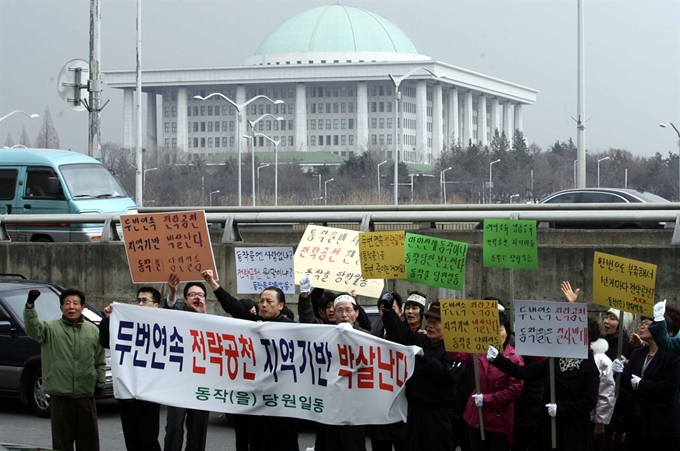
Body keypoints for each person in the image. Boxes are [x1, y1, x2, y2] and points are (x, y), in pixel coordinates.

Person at [201, 269, 299, 451]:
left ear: (281, 306)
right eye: (261, 301)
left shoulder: (291, 328)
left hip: (282, 402)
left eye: (269, 301)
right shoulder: (253, 323)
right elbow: (233, 306)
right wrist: (213, 283)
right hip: (257, 399)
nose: (263, 305)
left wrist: (270, 333)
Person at [486, 317, 600, 451]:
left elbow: (588, 402)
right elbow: (524, 372)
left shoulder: (589, 367)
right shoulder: (556, 359)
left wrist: (561, 408)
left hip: (572, 431)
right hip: (548, 428)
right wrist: (498, 359)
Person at [23, 288, 106, 451]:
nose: (71, 307)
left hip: (85, 395)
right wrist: (30, 306)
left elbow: (100, 360)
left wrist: (100, 383)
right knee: (62, 443)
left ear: (83, 308)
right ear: (61, 308)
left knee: (89, 443)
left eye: (76, 303)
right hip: (60, 396)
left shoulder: (93, 331)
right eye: (67, 303)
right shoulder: (50, 329)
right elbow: (33, 329)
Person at [382, 298, 464, 451]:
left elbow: (447, 376)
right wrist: (388, 313)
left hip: (438, 416)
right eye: (429, 320)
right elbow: (400, 334)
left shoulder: (455, 350)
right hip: (414, 413)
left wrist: (425, 358)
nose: (430, 325)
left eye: (436, 322)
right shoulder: (420, 339)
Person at [448, 311, 524, 451]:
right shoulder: (479, 350)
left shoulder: (514, 358)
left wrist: (487, 399)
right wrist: (452, 334)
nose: (494, 333)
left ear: (506, 333)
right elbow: (457, 353)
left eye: (499, 329)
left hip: (498, 421)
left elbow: (514, 390)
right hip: (475, 417)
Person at [99, 287, 163, 451]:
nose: (140, 303)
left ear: (155, 305)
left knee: (149, 440)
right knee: (132, 440)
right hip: (127, 390)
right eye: (138, 300)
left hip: (149, 392)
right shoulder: (126, 323)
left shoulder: (162, 325)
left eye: (145, 300)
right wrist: (107, 319)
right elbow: (106, 342)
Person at [163, 275, 211, 451]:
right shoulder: (178, 315)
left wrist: (203, 317)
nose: (197, 297)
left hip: (200, 384)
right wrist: (172, 293)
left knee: (198, 429)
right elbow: (168, 313)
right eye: (192, 294)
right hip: (178, 382)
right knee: (175, 426)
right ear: (185, 299)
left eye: (200, 294)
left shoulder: (213, 322)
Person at [620, 313, 680, 450]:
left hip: (661, 426)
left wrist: (642, 384)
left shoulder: (672, 355)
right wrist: (618, 372)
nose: (641, 327)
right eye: (641, 323)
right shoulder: (638, 353)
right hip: (637, 422)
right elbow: (626, 384)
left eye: (647, 323)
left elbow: (669, 387)